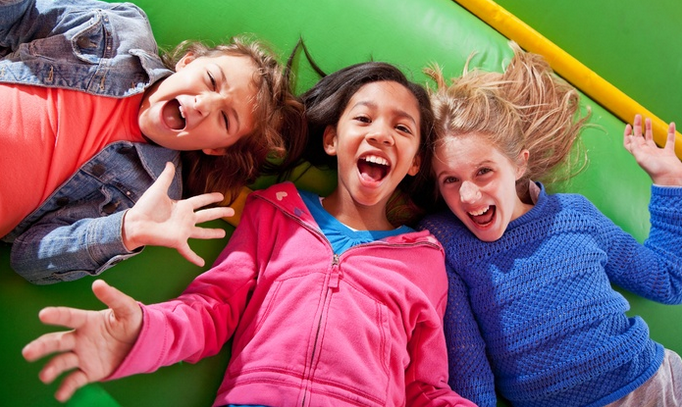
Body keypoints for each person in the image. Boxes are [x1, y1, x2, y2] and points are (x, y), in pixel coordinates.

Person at [22, 61, 476, 406]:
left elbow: (426, 387)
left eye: (402, 127)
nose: (381, 135)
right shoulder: (274, 213)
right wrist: (141, 333)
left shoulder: (424, 260)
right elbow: (212, 309)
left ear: (415, 162)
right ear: (332, 140)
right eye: (363, 119)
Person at [419, 43, 682, 406]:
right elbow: (469, 363)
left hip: (656, 386)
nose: (468, 195)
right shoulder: (450, 244)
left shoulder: (574, 215)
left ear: (519, 164)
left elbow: (668, 279)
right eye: (450, 179)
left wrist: (670, 181)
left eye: (483, 172)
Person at [0, 0, 306, 284]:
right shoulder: (120, 31)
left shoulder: (153, 196)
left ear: (217, 148)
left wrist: (126, 230)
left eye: (225, 119)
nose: (203, 105)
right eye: (211, 80)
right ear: (188, 61)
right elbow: (22, 14)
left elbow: (28, 259)